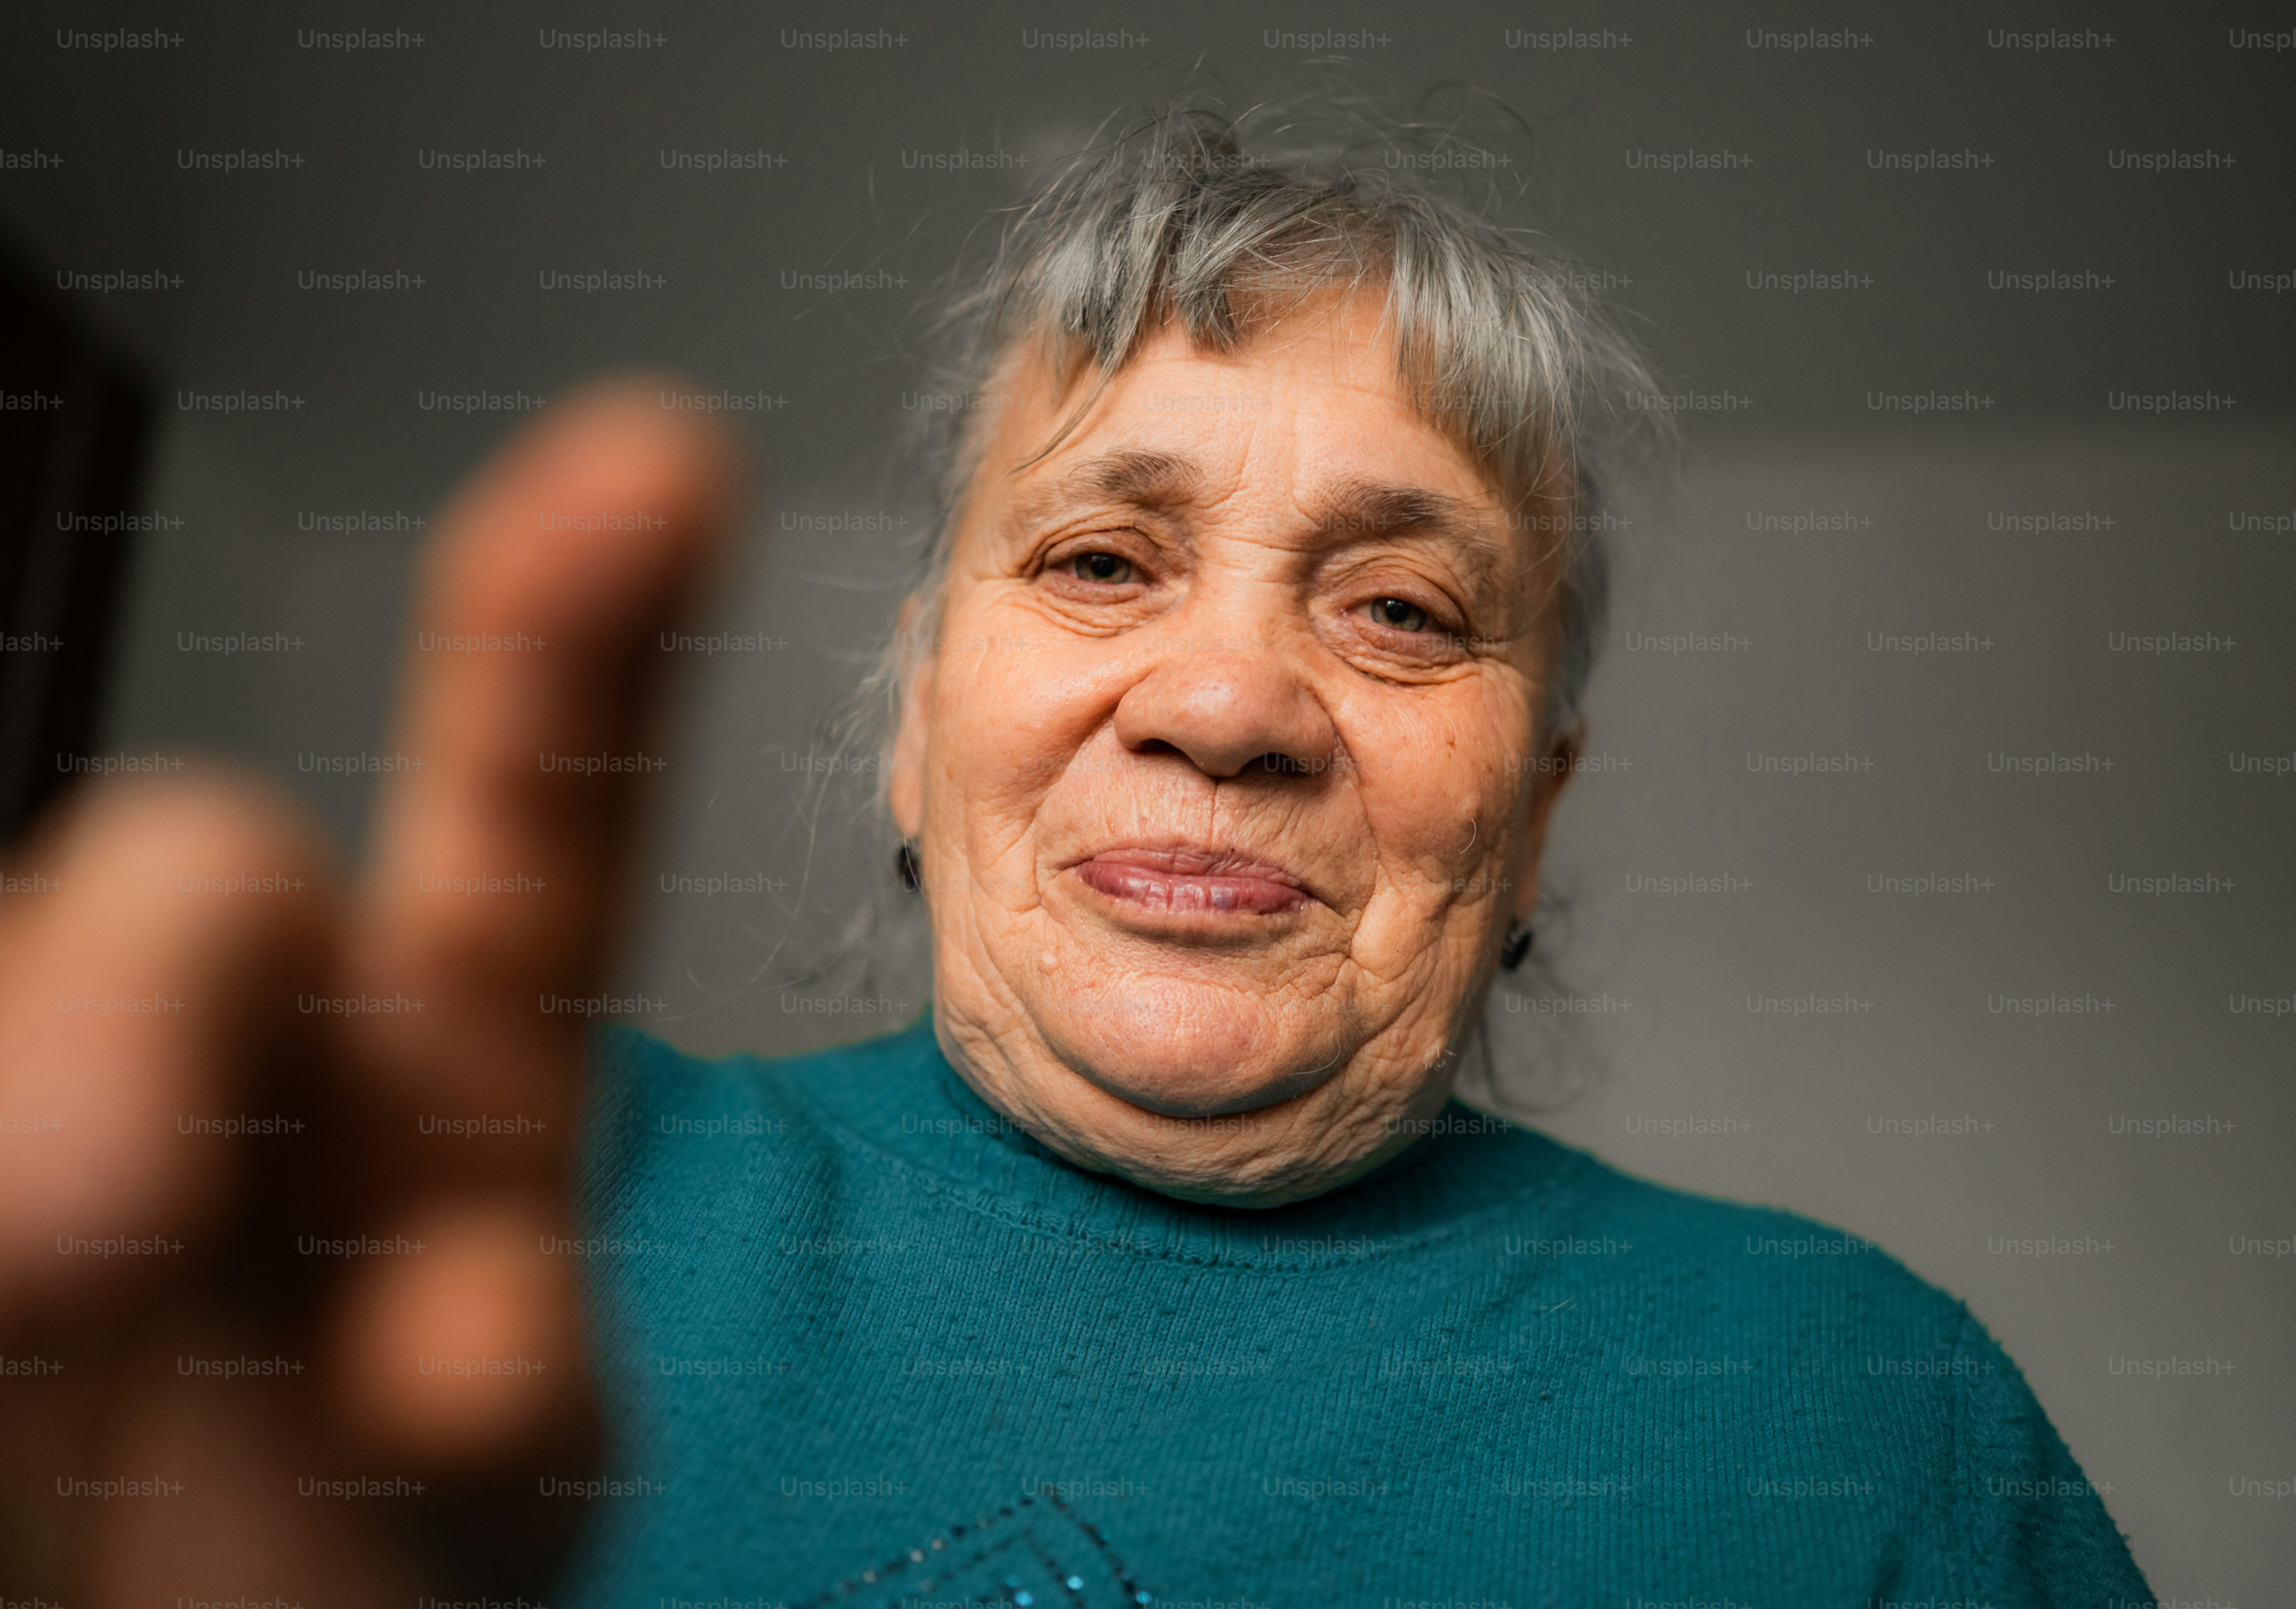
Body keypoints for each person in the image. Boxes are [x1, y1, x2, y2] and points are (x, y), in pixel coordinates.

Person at [0, 106, 2150, 1605]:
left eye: (1400, 608)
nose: (1226, 707)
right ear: (917, 737)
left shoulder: (1863, 1413)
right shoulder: (420, 1240)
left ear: (1533, 811)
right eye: (1104, 559)